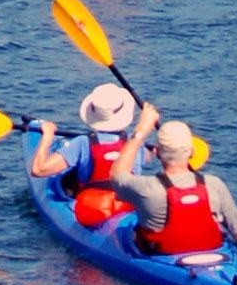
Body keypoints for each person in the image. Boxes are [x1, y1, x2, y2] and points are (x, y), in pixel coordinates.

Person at [112, 103, 237, 255]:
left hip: (162, 255)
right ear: (192, 152)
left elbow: (116, 174)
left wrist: (140, 132)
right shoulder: (213, 184)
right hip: (212, 256)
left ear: (157, 153)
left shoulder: (146, 188)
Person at [28, 83, 154, 226]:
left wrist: (48, 136)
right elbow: (148, 156)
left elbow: (38, 170)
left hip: (93, 209)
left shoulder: (82, 143)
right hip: (128, 206)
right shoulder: (136, 143)